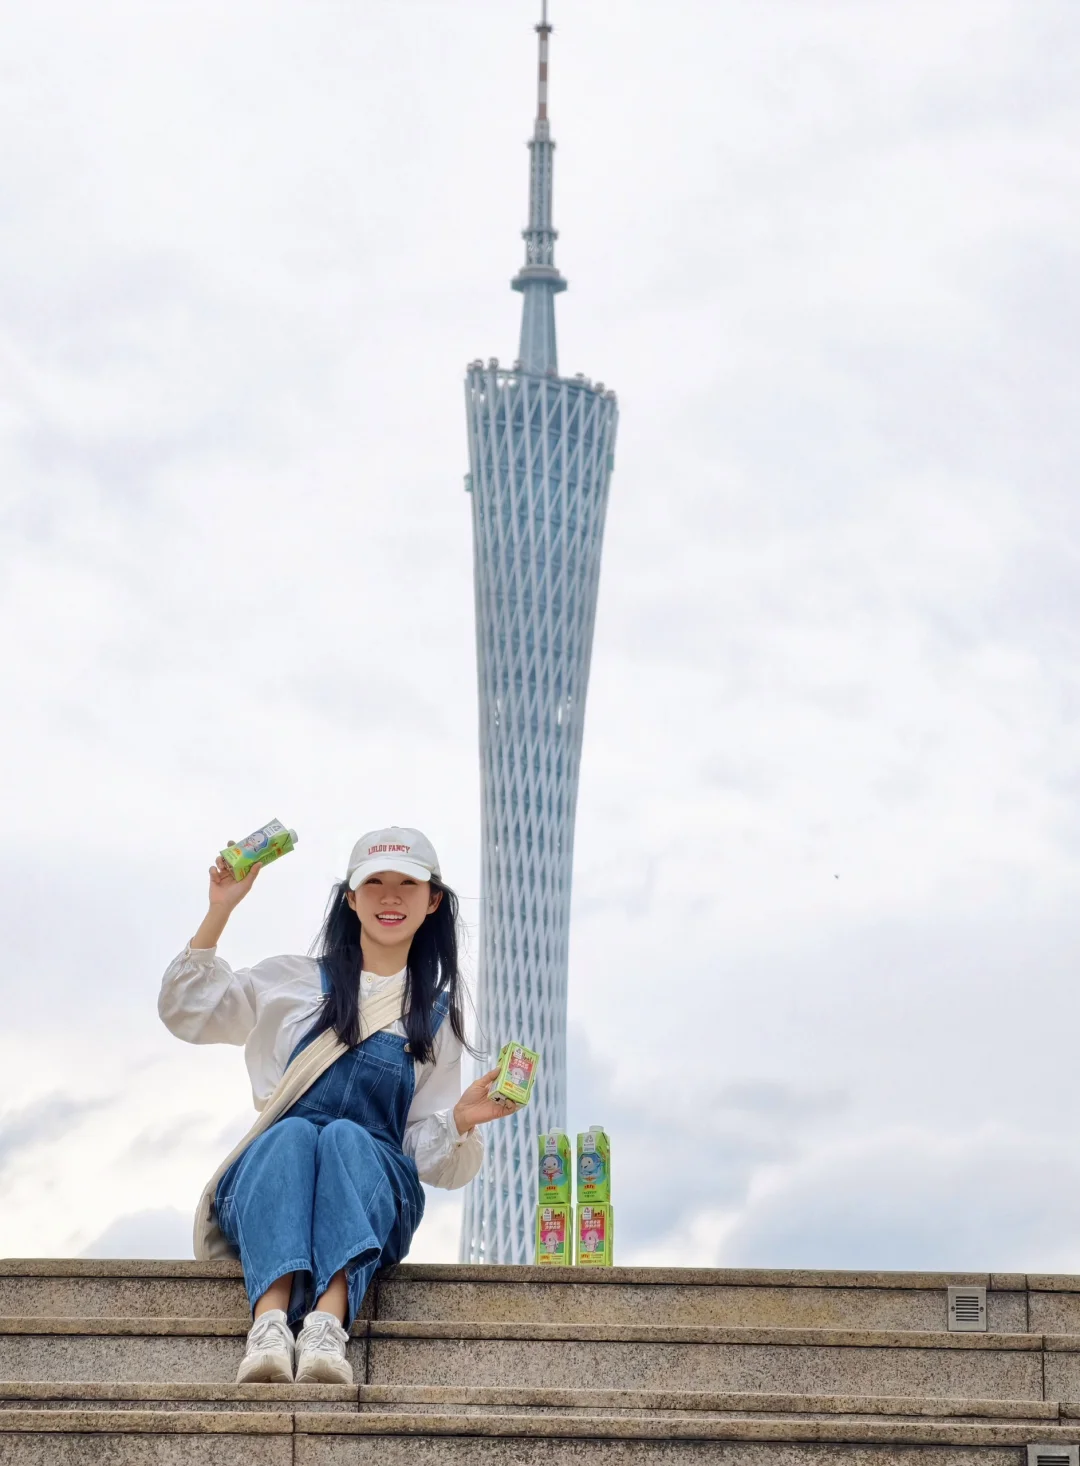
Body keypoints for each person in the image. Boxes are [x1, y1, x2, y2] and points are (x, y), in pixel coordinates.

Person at [158, 825, 515, 1385]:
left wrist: (461, 1120)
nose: (390, 897)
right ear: (350, 897)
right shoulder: (292, 982)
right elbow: (188, 1011)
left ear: (433, 900)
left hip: (369, 1183)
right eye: (373, 882)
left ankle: (329, 1323)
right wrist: (219, 910)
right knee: (295, 1135)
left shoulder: (436, 1016)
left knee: (349, 1138)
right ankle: (269, 1325)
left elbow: (417, 1149)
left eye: (407, 883)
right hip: (277, 1173)